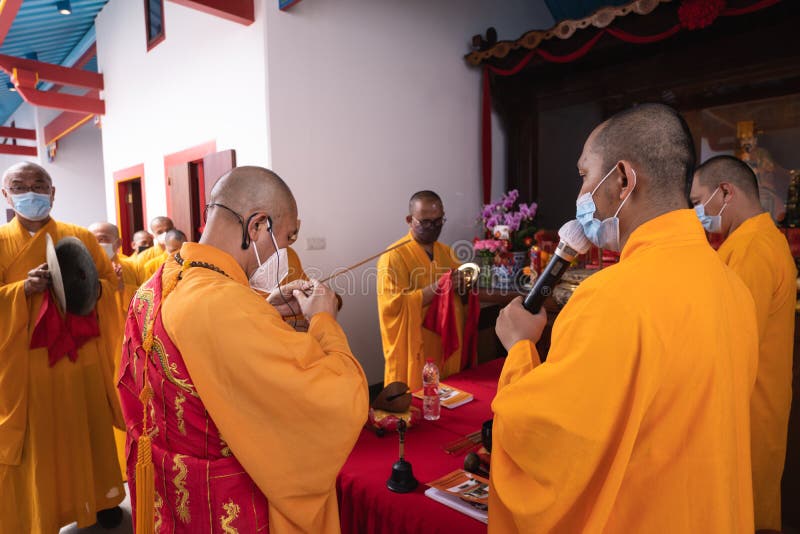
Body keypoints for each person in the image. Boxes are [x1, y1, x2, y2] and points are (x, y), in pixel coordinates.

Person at [489, 104, 759, 533]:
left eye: (584, 175)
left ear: (622, 179)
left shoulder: (609, 298)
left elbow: (549, 445)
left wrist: (520, 348)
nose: (580, 192)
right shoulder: (733, 290)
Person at [118, 166, 368, 532]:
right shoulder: (224, 304)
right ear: (257, 227)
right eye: (287, 238)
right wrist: (324, 321)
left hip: (172, 485)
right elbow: (338, 399)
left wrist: (261, 309)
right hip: (224, 500)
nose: (286, 252)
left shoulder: (164, 277)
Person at [0, 162, 125, 532]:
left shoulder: (79, 237)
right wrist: (20, 290)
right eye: (19, 185)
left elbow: (105, 283)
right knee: (40, 443)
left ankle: (101, 499)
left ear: (53, 193)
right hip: (28, 366)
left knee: (89, 427)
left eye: (39, 184)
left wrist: (90, 287)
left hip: (80, 356)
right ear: (6, 195)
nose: (31, 192)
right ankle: (43, 512)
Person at [691, 155, 796, 532]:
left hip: (747, 410)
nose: (695, 212)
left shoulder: (752, 249)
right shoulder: (755, 239)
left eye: (697, 200)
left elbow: (732, 341)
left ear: (725, 192)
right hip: (755, 403)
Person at [377, 191, 468, 390]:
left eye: (438, 221)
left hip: (444, 342)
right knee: (417, 403)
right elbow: (394, 306)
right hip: (415, 346)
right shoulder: (393, 256)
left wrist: (463, 286)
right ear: (410, 220)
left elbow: (460, 298)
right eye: (426, 222)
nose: (433, 228)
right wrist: (438, 287)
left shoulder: (446, 252)